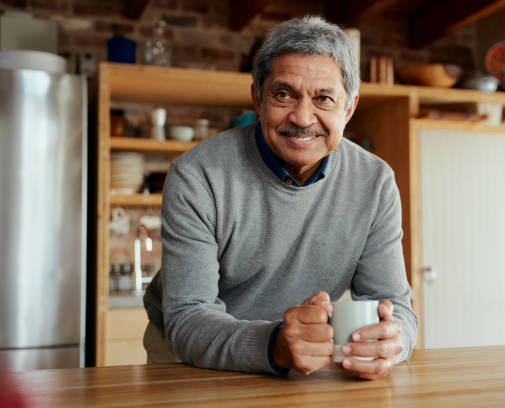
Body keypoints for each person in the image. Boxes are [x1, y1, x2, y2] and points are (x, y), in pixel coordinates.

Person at [143, 15, 418, 380]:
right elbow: (189, 317)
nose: (303, 118)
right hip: (191, 358)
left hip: (305, 355)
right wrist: (273, 344)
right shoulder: (197, 176)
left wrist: (392, 342)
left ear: (348, 108)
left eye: (324, 98)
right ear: (258, 98)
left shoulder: (375, 181)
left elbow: (397, 307)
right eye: (284, 94)